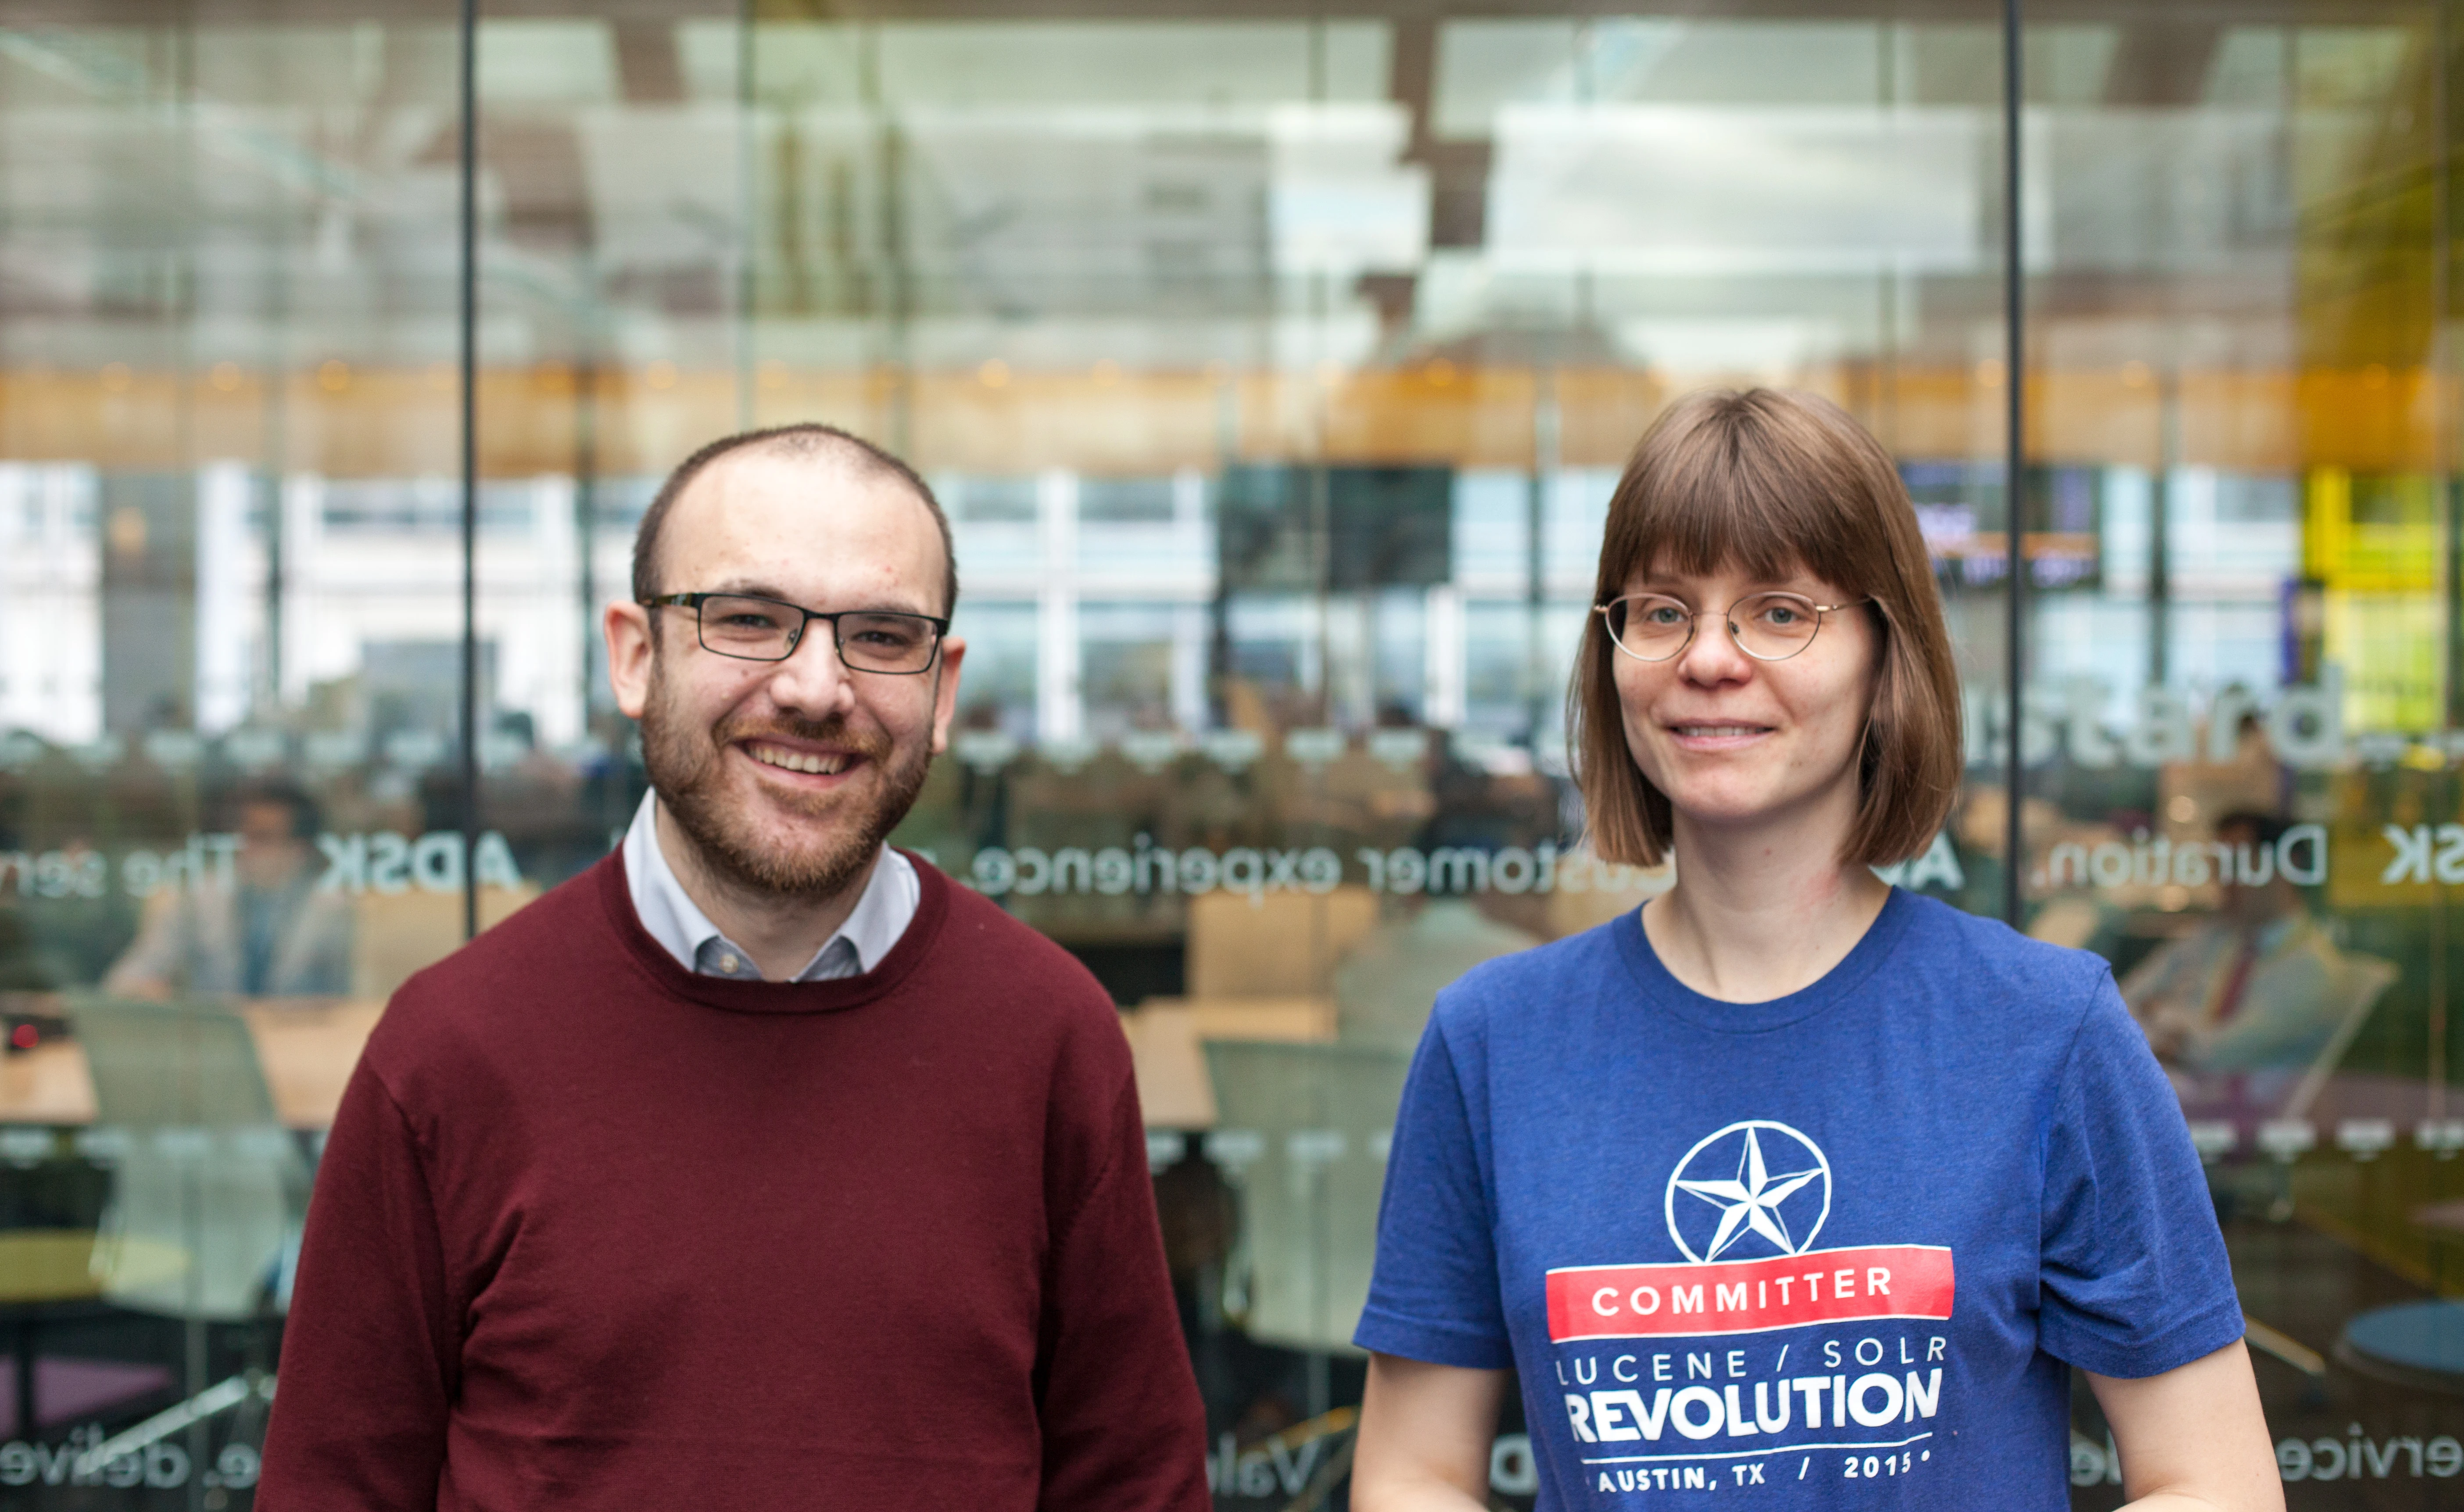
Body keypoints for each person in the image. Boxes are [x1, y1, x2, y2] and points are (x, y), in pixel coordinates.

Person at [1349, 390, 2279, 1511]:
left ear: (1886, 656)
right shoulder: (1492, 1040)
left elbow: (2212, 1477)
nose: (1709, 657)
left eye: (1778, 610)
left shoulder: (2042, 1025)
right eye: (1660, 610)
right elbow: (1413, 1472)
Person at [259, 425, 1208, 1510]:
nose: (815, 687)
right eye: (748, 619)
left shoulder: (1051, 1037)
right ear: (634, 654)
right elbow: (331, 1488)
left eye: (880, 635)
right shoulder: (453, 1047)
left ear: (941, 691)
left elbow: (1137, 1485)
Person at [2124, 809, 2370, 1090]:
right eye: (2219, 866)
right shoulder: (2214, 937)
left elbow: (2216, 1053)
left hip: (2241, 1119)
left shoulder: (2311, 967)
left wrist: (2162, 1012)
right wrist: (2175, 1031)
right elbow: (2122, 1004)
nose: (2223, 881)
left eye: (2238, 864)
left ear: (2288, 865)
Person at [103, 781, 353, 997]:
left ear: (300, 850)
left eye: (263, 837)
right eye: (244, 834)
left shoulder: (332, 909)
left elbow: (351, 997)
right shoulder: (198, 897)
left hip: (301, 1041)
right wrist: (143, 991)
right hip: (217, 1042)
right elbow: (126, 980)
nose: (246, 847)